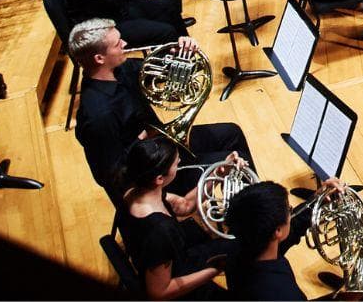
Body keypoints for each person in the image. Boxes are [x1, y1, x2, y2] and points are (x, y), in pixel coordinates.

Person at [69, 19, 253, 193]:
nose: (125, 43)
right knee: (235, 160)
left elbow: (168, 74)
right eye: (117, 44)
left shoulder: (122, 69)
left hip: (164, 142)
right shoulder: (98, 115)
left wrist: (183, 54)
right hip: (156, 175)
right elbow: (110, 176)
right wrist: (139, 145)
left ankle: (243, 205)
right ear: (99, 58)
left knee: (231, 133)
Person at [112, 137, 232, 299]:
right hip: (178, 282)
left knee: (234, 245)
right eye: (176, 163)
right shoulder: (160, 232)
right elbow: (159, 293)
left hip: (170, 255)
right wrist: (215, 270)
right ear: (159, 179)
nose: (180, 162)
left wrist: (218, 174)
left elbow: (186, 205)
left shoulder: (135, 189)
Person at [225, 179, 322, 301]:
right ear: (277, 231)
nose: (290, 216)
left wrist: (317, 200)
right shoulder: (283, 294)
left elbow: (294, 226)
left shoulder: (242, 244)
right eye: (289, 210)